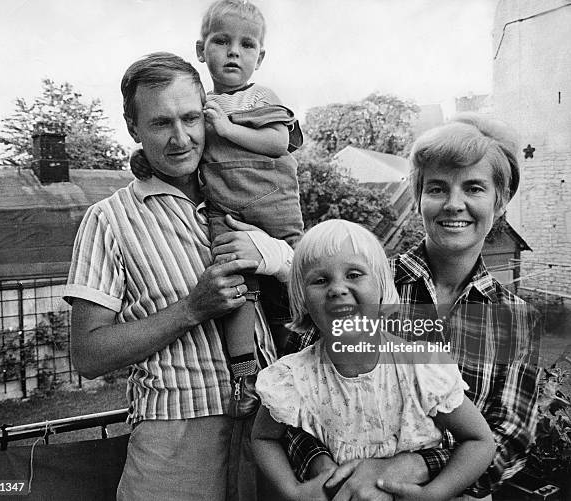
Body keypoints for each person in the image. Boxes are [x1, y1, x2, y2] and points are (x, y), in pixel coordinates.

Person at [64, 52, 293, 501]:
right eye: (160, 123)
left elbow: (324, 296)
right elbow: (89, 354)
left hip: (271, 427)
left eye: (191, 118)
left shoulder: (247, 199)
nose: (181, 138)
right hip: (175, 439)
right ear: (133, 127)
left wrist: (281, 258)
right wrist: (191, 309)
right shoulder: (109, 220)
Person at [283, 114, 540, 500]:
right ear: (418, 197)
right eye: (437, 188)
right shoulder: (365, 288)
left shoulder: (517, 320)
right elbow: (295, 391)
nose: (455, 204)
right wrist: (335, 474)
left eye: (474, 188)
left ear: (500, 201)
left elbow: (510, 436)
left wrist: (410, 469)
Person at [131, 0, 304, 418]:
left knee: (294, 291)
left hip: (273, 210)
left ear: (259, 57)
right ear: (200, 49)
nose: (233, 52)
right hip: (226, 213)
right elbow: (182, 147)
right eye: (221, 41)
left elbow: (280, 143)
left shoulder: (259, 97)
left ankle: (298, 367)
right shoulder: (197, 107)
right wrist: (141, 157)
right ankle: (244, 377)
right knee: (233, 292)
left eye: (246, 45)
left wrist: (227, 128)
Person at [251, 219, 496, 501]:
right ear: (302, 299)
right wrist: (293, 492)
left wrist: (433, 493)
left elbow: (479, 441)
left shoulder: (420, 368)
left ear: (381, 286)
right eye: (320, 280)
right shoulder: (293, 376)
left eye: (354, 274)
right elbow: (264, 438)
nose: (337, 289)